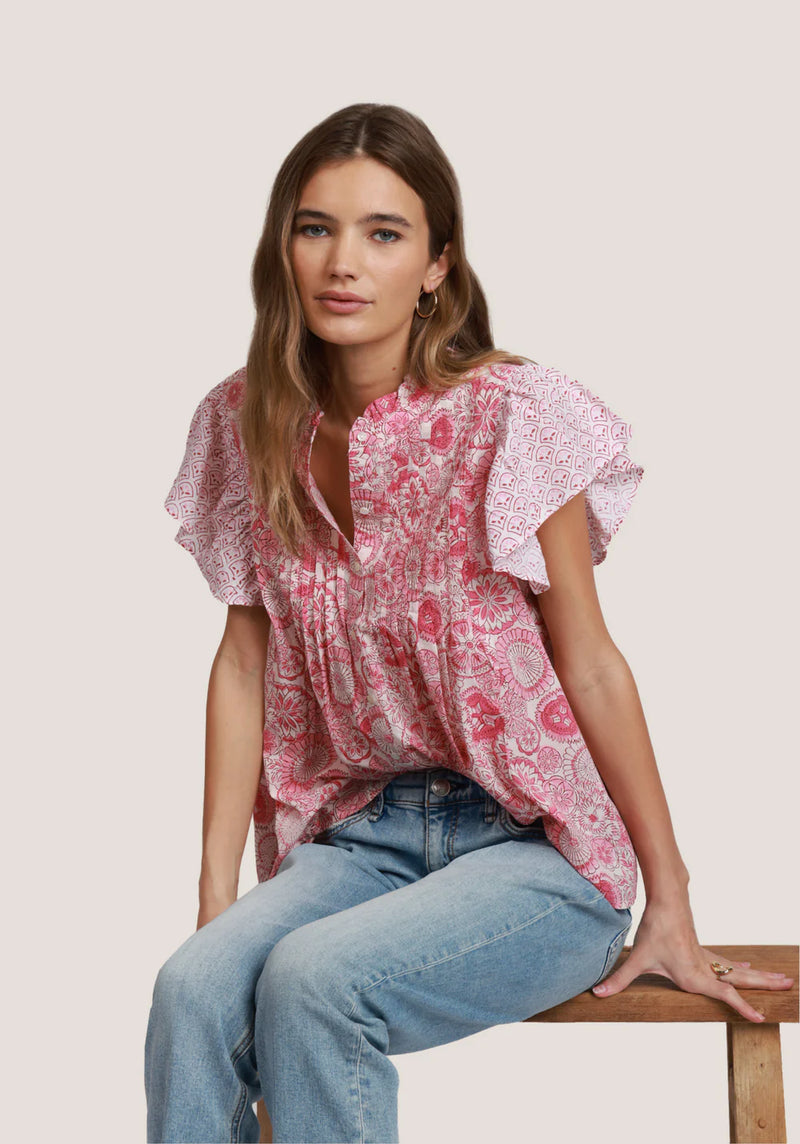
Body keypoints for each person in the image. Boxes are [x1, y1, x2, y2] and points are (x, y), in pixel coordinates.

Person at [145, 103, 793, 1144]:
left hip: (533, 849)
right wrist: (216, 898)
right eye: (315, 228)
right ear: (282, 247)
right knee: (192, 988)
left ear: (436, 265)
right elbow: (242, 664)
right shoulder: (244, 420)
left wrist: (670, 897)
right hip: (360, 838)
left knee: (315, 982)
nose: (343, 262)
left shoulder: (511, 416)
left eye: (383, 233)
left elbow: (589, 662)